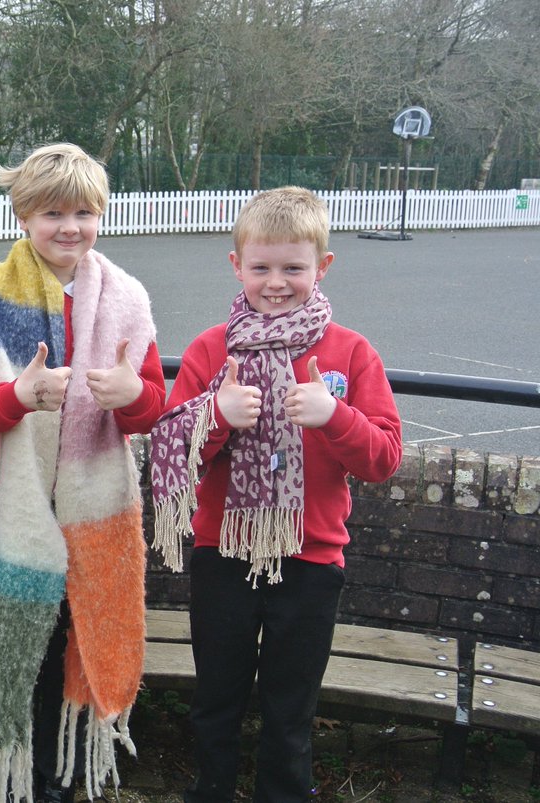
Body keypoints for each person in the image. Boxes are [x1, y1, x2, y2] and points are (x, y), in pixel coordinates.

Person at [148, 186, 403, 802]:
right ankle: (211, 791)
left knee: (291, 710)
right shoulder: (213, 349)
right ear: (236, 266)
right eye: (261, 267)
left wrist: (334, 415)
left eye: (293, 267)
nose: (277, 282)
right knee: (217, 699)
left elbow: (383, 459)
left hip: (312, 558)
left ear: (323, 265)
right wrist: (216, 413)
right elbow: (168, 451)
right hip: (222, 555)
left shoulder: (350, 351)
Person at [0, 143, 166, 803]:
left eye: (83, 212)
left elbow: (150, 407)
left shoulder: (127, 298)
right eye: (52, 213)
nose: (69, 226)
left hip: (95, 506)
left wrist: (132, 395)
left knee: (79, 636)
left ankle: (57, 779)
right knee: (28, 645)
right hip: (19, 504)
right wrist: (18, 396)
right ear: (23, 217)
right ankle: (8, 780)